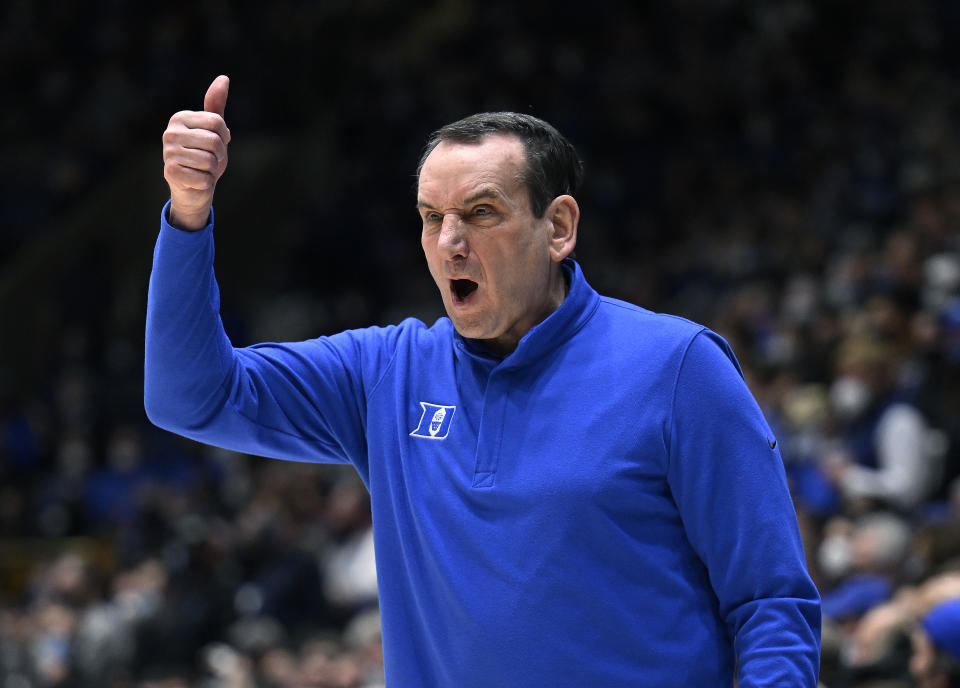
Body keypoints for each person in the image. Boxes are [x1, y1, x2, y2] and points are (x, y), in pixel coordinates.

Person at [146, 75, 821, 687]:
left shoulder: (677, 367)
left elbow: (769, 603)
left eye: (481, 213)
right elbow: (189, 398)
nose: (448, 244)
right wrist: (188, 213)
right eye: (431, 218)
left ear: (557, 227)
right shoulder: (386, 373)